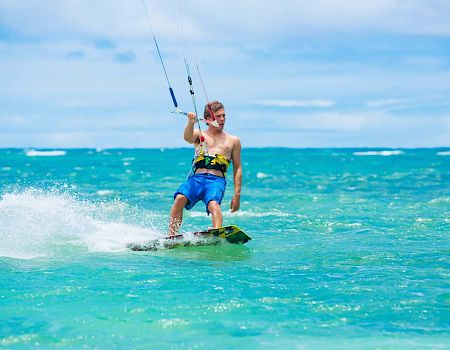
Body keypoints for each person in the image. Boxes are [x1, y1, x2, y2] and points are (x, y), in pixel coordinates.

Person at [168, 101, 242, 236]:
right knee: (179, 198)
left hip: (215, 181)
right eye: (218, 116)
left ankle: (216, 233)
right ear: (208, 119)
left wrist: (237, 195)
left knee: (214, 204)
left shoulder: (233, 140)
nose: (222, 119)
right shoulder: (199, 134)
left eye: (224, 116)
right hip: (196, 179)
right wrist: (191, 122)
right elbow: (188, 138)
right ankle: (171, 235)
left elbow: (238, 169)